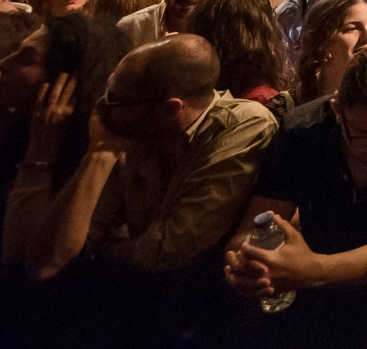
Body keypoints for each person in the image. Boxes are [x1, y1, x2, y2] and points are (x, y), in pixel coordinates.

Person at [8, 32, 277, 332]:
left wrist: (105, 248)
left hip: (206, 315)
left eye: (115, 100)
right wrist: (101, 153)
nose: (102, 109)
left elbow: (168, 249)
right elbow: (48, 260)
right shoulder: (132, 130)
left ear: (170, 110)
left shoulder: (245, 124)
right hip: (147, 307)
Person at [224, 42, 367, 312]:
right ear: (337, 109)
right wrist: (245, 262)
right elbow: (251, 228)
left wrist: (314, 269)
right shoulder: (302, 131)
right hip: (319, 306)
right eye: (363, 134)